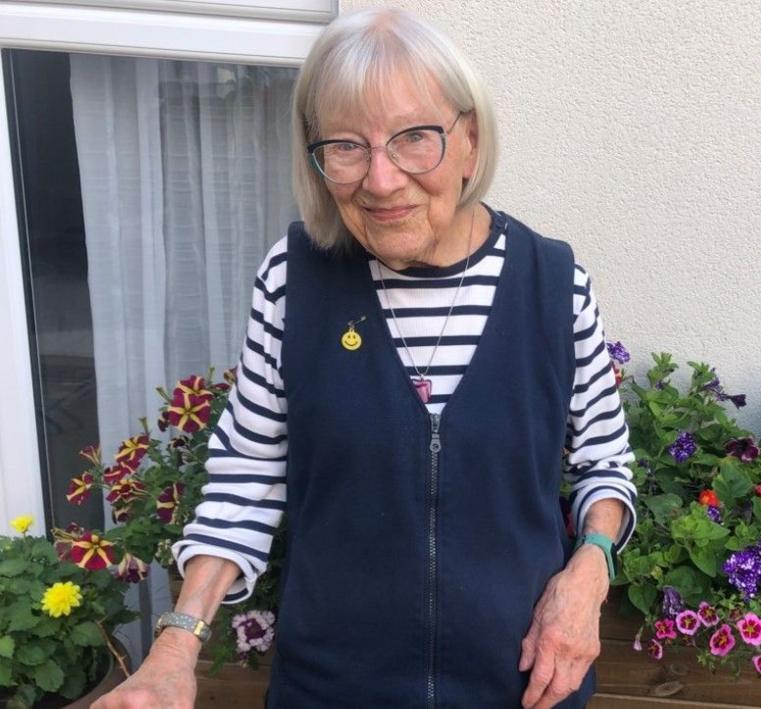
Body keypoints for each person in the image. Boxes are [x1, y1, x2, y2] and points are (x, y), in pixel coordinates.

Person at [94, 7, 636, 708]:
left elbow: (604, 462)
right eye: (347, 147)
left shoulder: (554, 283)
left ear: (469, 141)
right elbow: (247, 475)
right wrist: (175, 645)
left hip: (522, 686)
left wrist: (588, 572)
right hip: (332, 689)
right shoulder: (295, 281)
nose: (381, 180)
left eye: (415, 138)